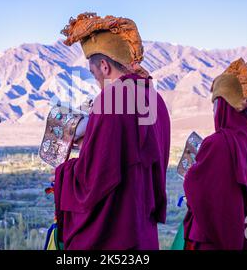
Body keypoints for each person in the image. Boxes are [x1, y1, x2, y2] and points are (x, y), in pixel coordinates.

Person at [53, 13, 171, 250]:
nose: (96, 81)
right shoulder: (155, 99)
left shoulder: (111, 99)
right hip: (143, 231)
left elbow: (93, 180)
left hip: (115, 236)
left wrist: (63, 175)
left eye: (94, 73)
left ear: (104, 66)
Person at [183, 58, 247, 250]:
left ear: (221, 107)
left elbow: (199, 189)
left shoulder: (217, 143)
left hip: (215, 243)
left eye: (215, 105)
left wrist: (191, 173)